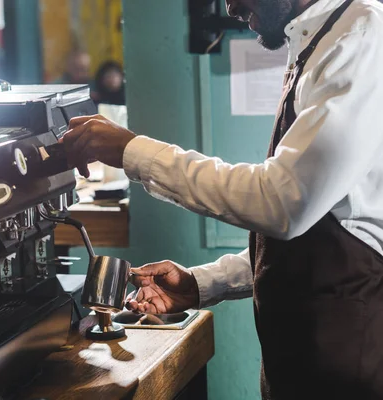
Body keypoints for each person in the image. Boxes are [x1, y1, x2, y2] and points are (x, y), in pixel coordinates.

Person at [60, 0, 383, 398]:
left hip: (351, 365)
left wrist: (133, 151)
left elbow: (285, 202)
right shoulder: (319, 41)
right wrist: (202, 283)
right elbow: (323, 234)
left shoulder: (363, 36)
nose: (229, 6)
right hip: (304, 362)